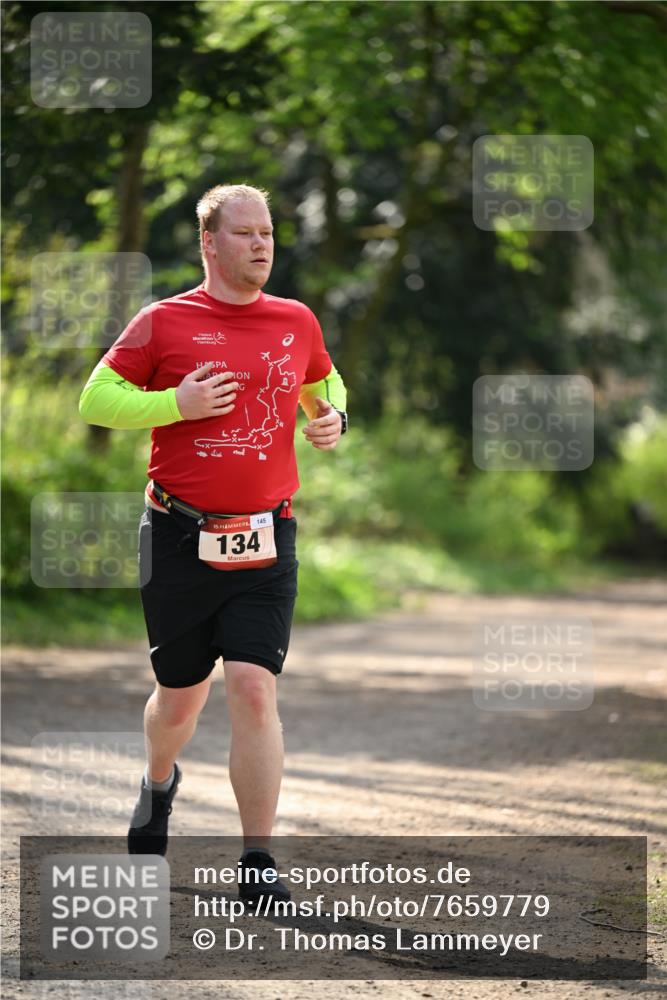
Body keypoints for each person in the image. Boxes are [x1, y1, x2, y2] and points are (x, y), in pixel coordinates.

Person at [79, 183, 348, 904]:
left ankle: (257, 858)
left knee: (253, 690)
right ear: (209, 243)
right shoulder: (164, 322)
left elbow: (325, 383)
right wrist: (176, 404)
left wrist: (333, 421)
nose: (262, 244)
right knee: (178, 700)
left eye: (267, 233)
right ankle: (157, 783)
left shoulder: (294, 320)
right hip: (176, 533)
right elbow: (95, 399)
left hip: (266, 534)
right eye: (246, 233)